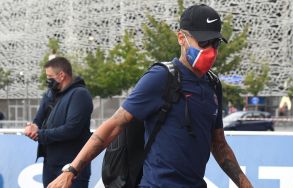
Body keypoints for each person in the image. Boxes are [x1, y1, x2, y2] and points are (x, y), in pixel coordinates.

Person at [48, 4, 253, 188]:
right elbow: (115, 124)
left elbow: (218, 143)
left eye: (215, 43)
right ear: (181, 38)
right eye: (203, 42)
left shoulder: (213, 84)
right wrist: (72, 170)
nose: (211, 51)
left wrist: (245, 184)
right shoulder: (161, 77)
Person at [24, 57, 93, 188]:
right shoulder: (50, 94)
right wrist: (32, 127)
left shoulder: (80, 94)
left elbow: (72, 129)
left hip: (72, 167)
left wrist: (40, 134)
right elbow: (38, 119)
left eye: (50, 77)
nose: (47, 80)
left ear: (61, 75)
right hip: (50, 164)